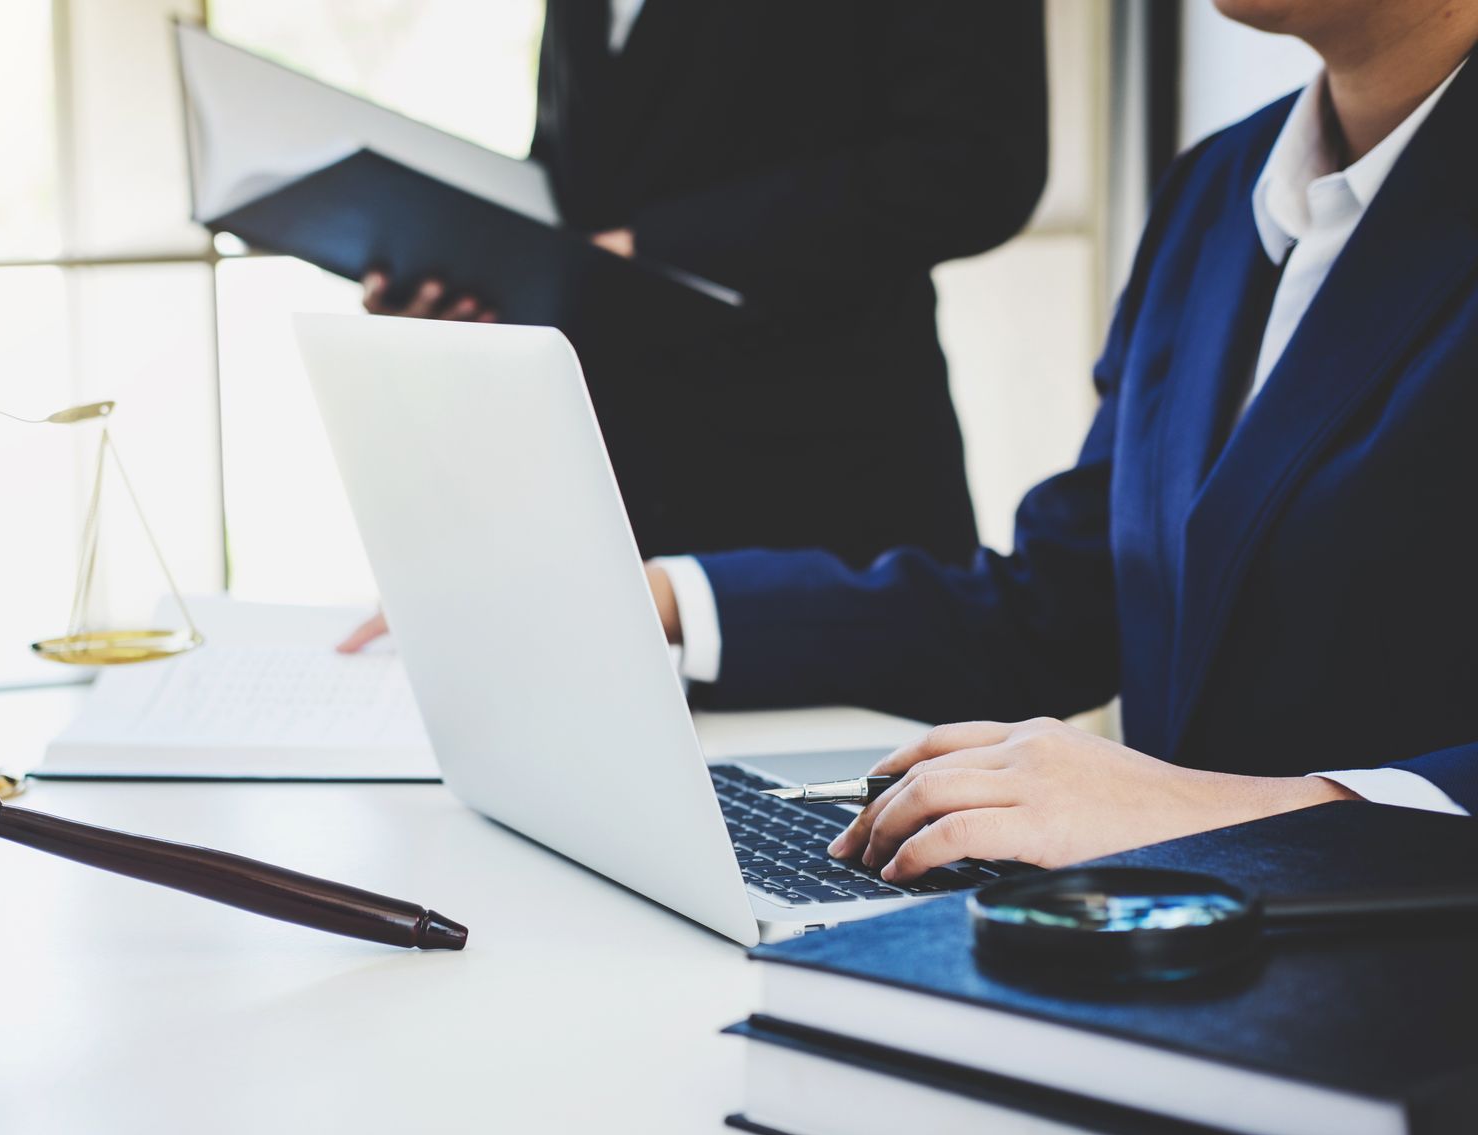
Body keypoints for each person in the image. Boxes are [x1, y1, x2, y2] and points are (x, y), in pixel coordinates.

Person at [356, 0, 1478, 883]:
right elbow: (1066, 605)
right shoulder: (1216, 193)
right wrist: (659, 597)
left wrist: (1256, 809)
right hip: (1183, 963)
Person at [362, 0, 1048, 563]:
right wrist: (477, 267)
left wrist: (654, 247)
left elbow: (978, 167)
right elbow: (583, 167)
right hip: (601, 483)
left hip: (818, 487)